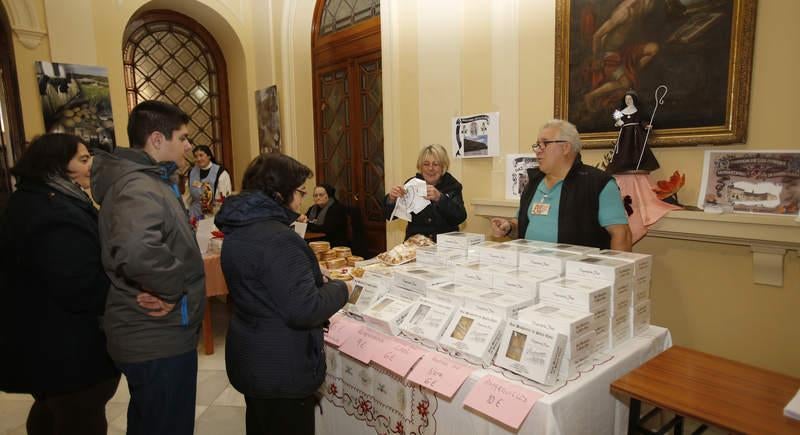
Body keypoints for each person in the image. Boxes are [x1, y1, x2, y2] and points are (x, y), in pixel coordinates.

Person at [214, 153, 352, 435]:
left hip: (252, 356)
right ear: (280, 193)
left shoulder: (239, 228)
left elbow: (264, 284)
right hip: (282, 367)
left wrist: (308, 275)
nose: (301, 201)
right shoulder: (279, 238)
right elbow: (305, 309)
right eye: (300, 192)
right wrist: (342, 287)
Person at [90, 100, 205, 435]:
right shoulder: (138, 186)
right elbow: (137, 250)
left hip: (157, 335)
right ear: (157, 139)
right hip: (156, 337)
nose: (188, 146)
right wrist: (173, 289)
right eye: (182, 138)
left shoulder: (152, 180)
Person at [0, 133, 120, 435]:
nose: (91, 165)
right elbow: (80, 285)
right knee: (78, 416)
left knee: (52, 411)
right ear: (56, 166)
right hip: (65, 348)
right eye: (83, 159)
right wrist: (125, 291)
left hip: (46, 343)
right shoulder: (53, 212)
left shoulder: (34, 198)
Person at [491, 119, 632, 251]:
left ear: (565, 147)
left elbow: (622, 235)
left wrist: (617, 268)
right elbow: (522, 228)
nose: (538, 150)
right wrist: (509, 227)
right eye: (537, 145)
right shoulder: (533, 182)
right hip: (531, 266)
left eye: (545, 143)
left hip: (577, 268)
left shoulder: (598, 184)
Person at [384, 144, 467, 241]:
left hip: (444, 245)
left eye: (435, 164)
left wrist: (440, 198)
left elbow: (460, 217)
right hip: (415, 244)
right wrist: (391, 199)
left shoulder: (452, 185)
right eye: (426, 164)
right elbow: (390, 216)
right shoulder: (412, 184)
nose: (430, 168)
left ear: (443, 167)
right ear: (420, 167)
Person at [605, 90, 660, 173]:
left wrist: (646, 126)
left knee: (637, 149)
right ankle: (624, 165)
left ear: (634, 99)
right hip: (625, 134)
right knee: (624, 149)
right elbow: (618, 121)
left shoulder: (638, 111)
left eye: (630, 99)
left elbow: (641, 121)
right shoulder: (621, 112)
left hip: (636, 134)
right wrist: (619, 122)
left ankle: (638, 164)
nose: (628, 101)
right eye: (626, 99)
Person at [186, 144, 232, 219]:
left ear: (209, 156)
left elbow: (224, 199)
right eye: (196, 156)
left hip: (214, 214)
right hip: (194, 215)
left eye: (201, 155)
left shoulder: (221, 173)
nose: (198, 159)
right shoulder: (192, 172)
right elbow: (188, 197)